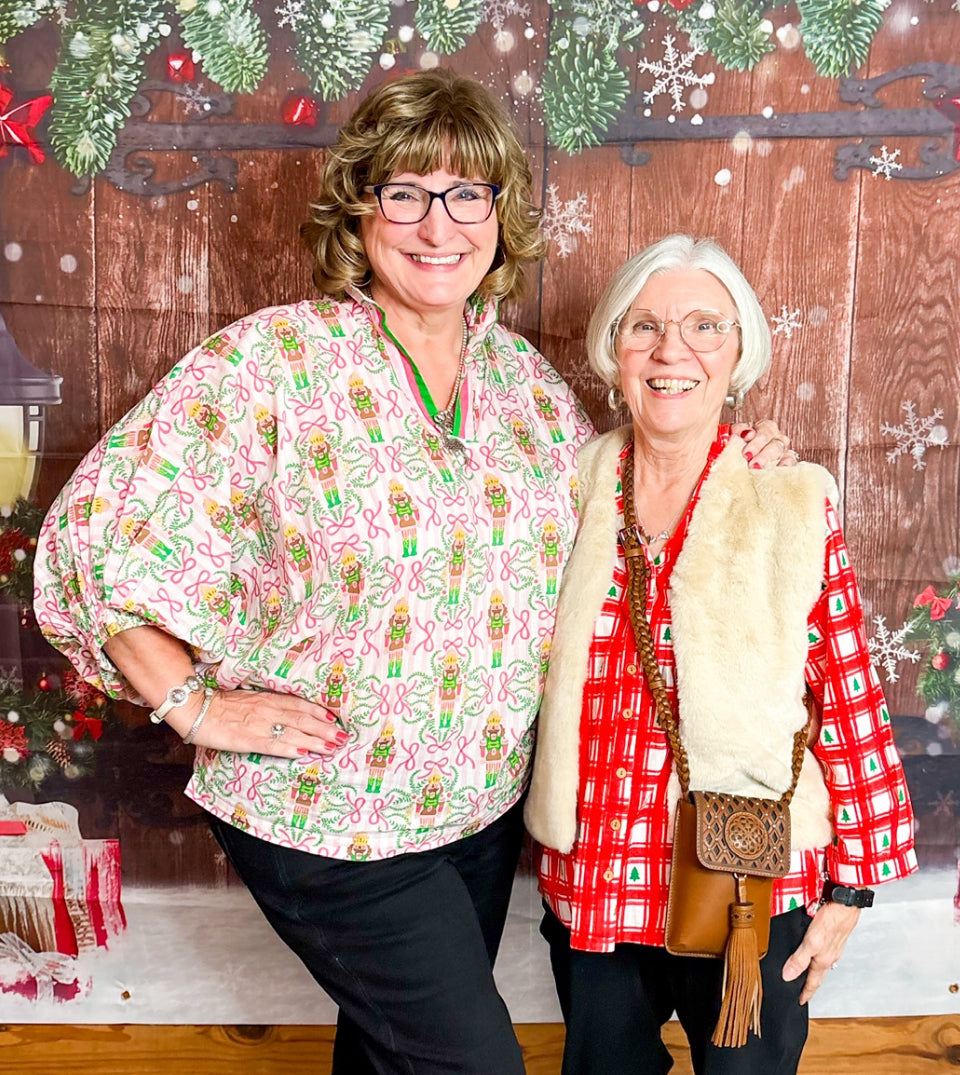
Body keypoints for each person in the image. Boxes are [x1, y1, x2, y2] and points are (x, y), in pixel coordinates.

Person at [33, 74, 789, 1074]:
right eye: (406, 192)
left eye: (466, 194)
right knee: (470, 1063)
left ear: (498, 216)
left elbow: (625, 522)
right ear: (360, 208)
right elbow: (97, 538)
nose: (438, 224)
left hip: (474, 812)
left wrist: (736, 467)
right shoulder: (270, 366)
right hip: (328, 810)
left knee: (391, 1056)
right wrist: (192, 703)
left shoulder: (525, 388)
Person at [525, 234, 918, 1075]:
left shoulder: (786, 497)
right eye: (645, 327)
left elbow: (847, 690)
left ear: (739, 353)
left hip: (749, 877)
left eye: (706, 325)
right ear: (612, 349)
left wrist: (852, 885)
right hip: (597, 865)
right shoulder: (569, 482)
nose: (673, 350)